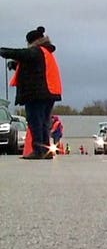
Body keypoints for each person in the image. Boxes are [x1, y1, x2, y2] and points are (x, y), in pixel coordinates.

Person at [1, 26, 62, 159]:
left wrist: (3, 51)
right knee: (44, 121)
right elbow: (36, 67)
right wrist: (15, 65)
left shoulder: (37, 51)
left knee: (35, 121)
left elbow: (21, 54)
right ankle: (46, 151)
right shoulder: (45, 52)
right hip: (49, 92)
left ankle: (38, 150)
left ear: (32, 41)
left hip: (37, 93)